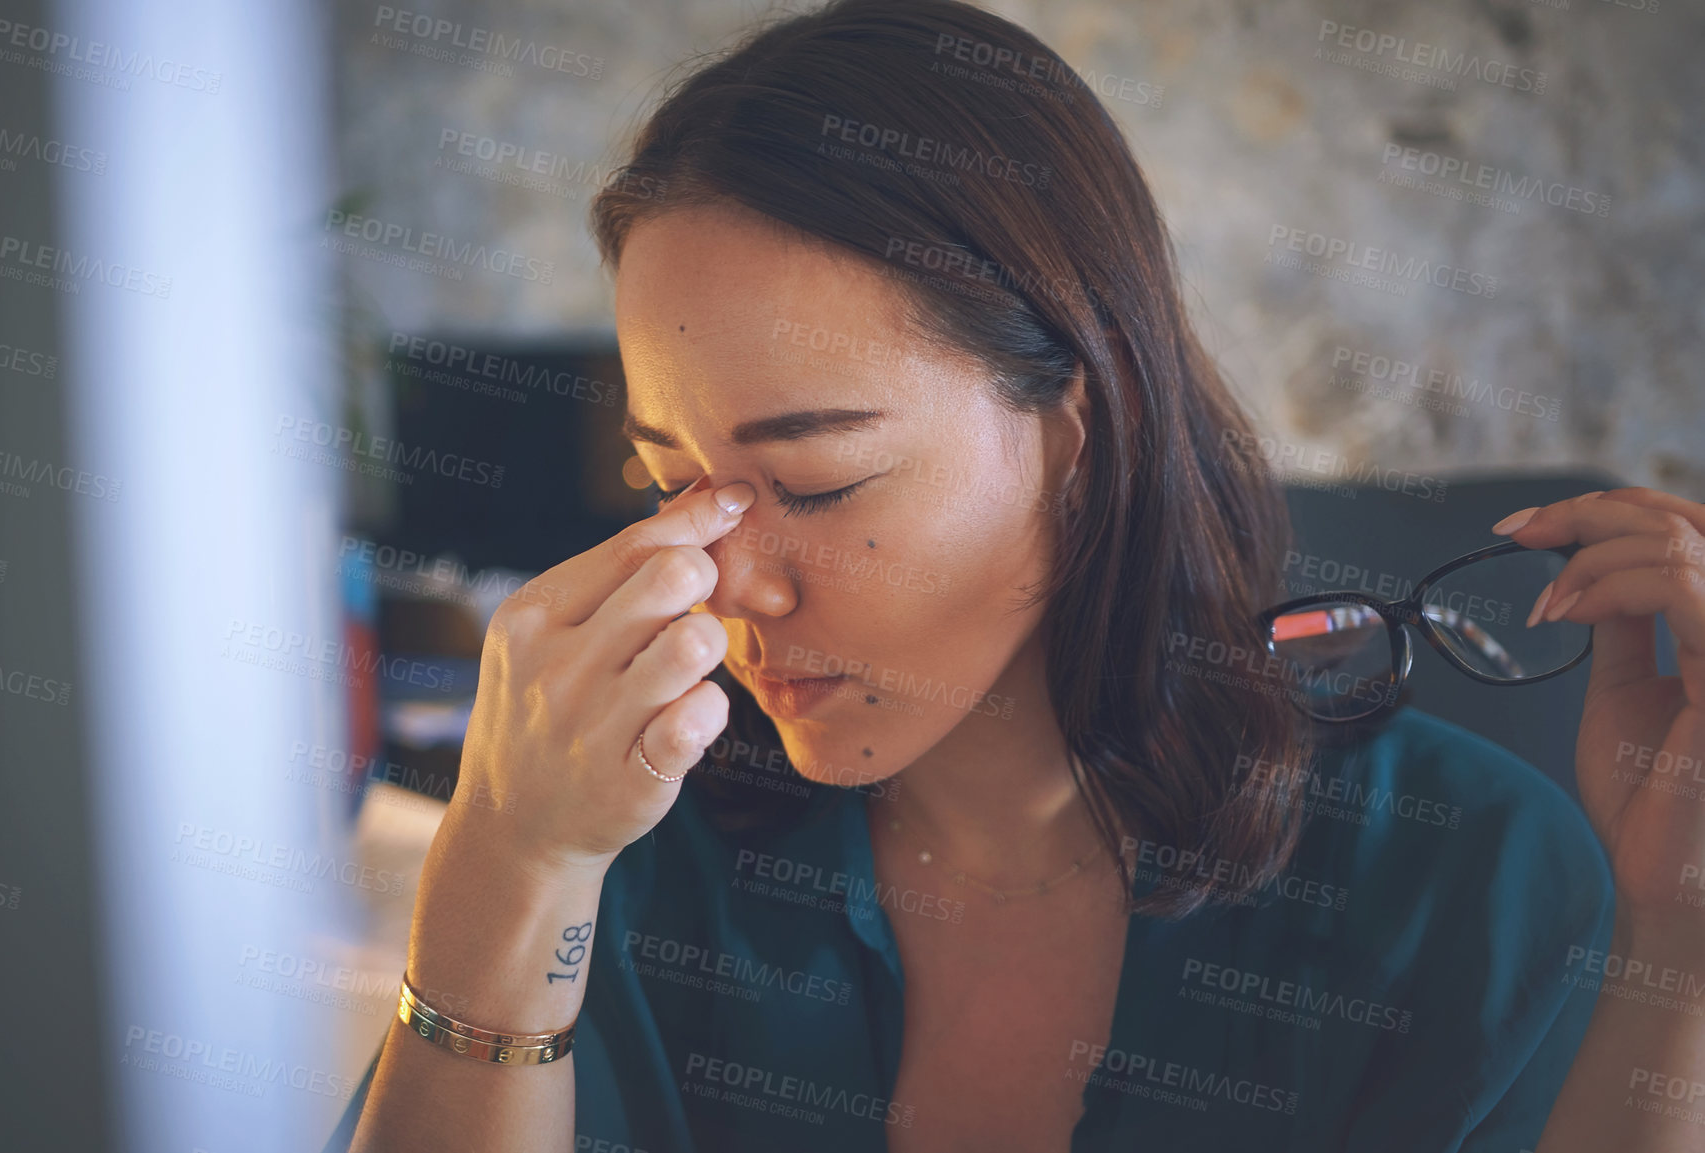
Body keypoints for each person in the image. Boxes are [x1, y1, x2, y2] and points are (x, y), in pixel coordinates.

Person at [326, 1, 1705, 1149]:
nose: (728, 584)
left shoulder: (1461, 880)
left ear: (1077, 432)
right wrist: (505, 864)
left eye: (815, 482)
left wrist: (1682, 953)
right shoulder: (631, 858)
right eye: (671, 481)